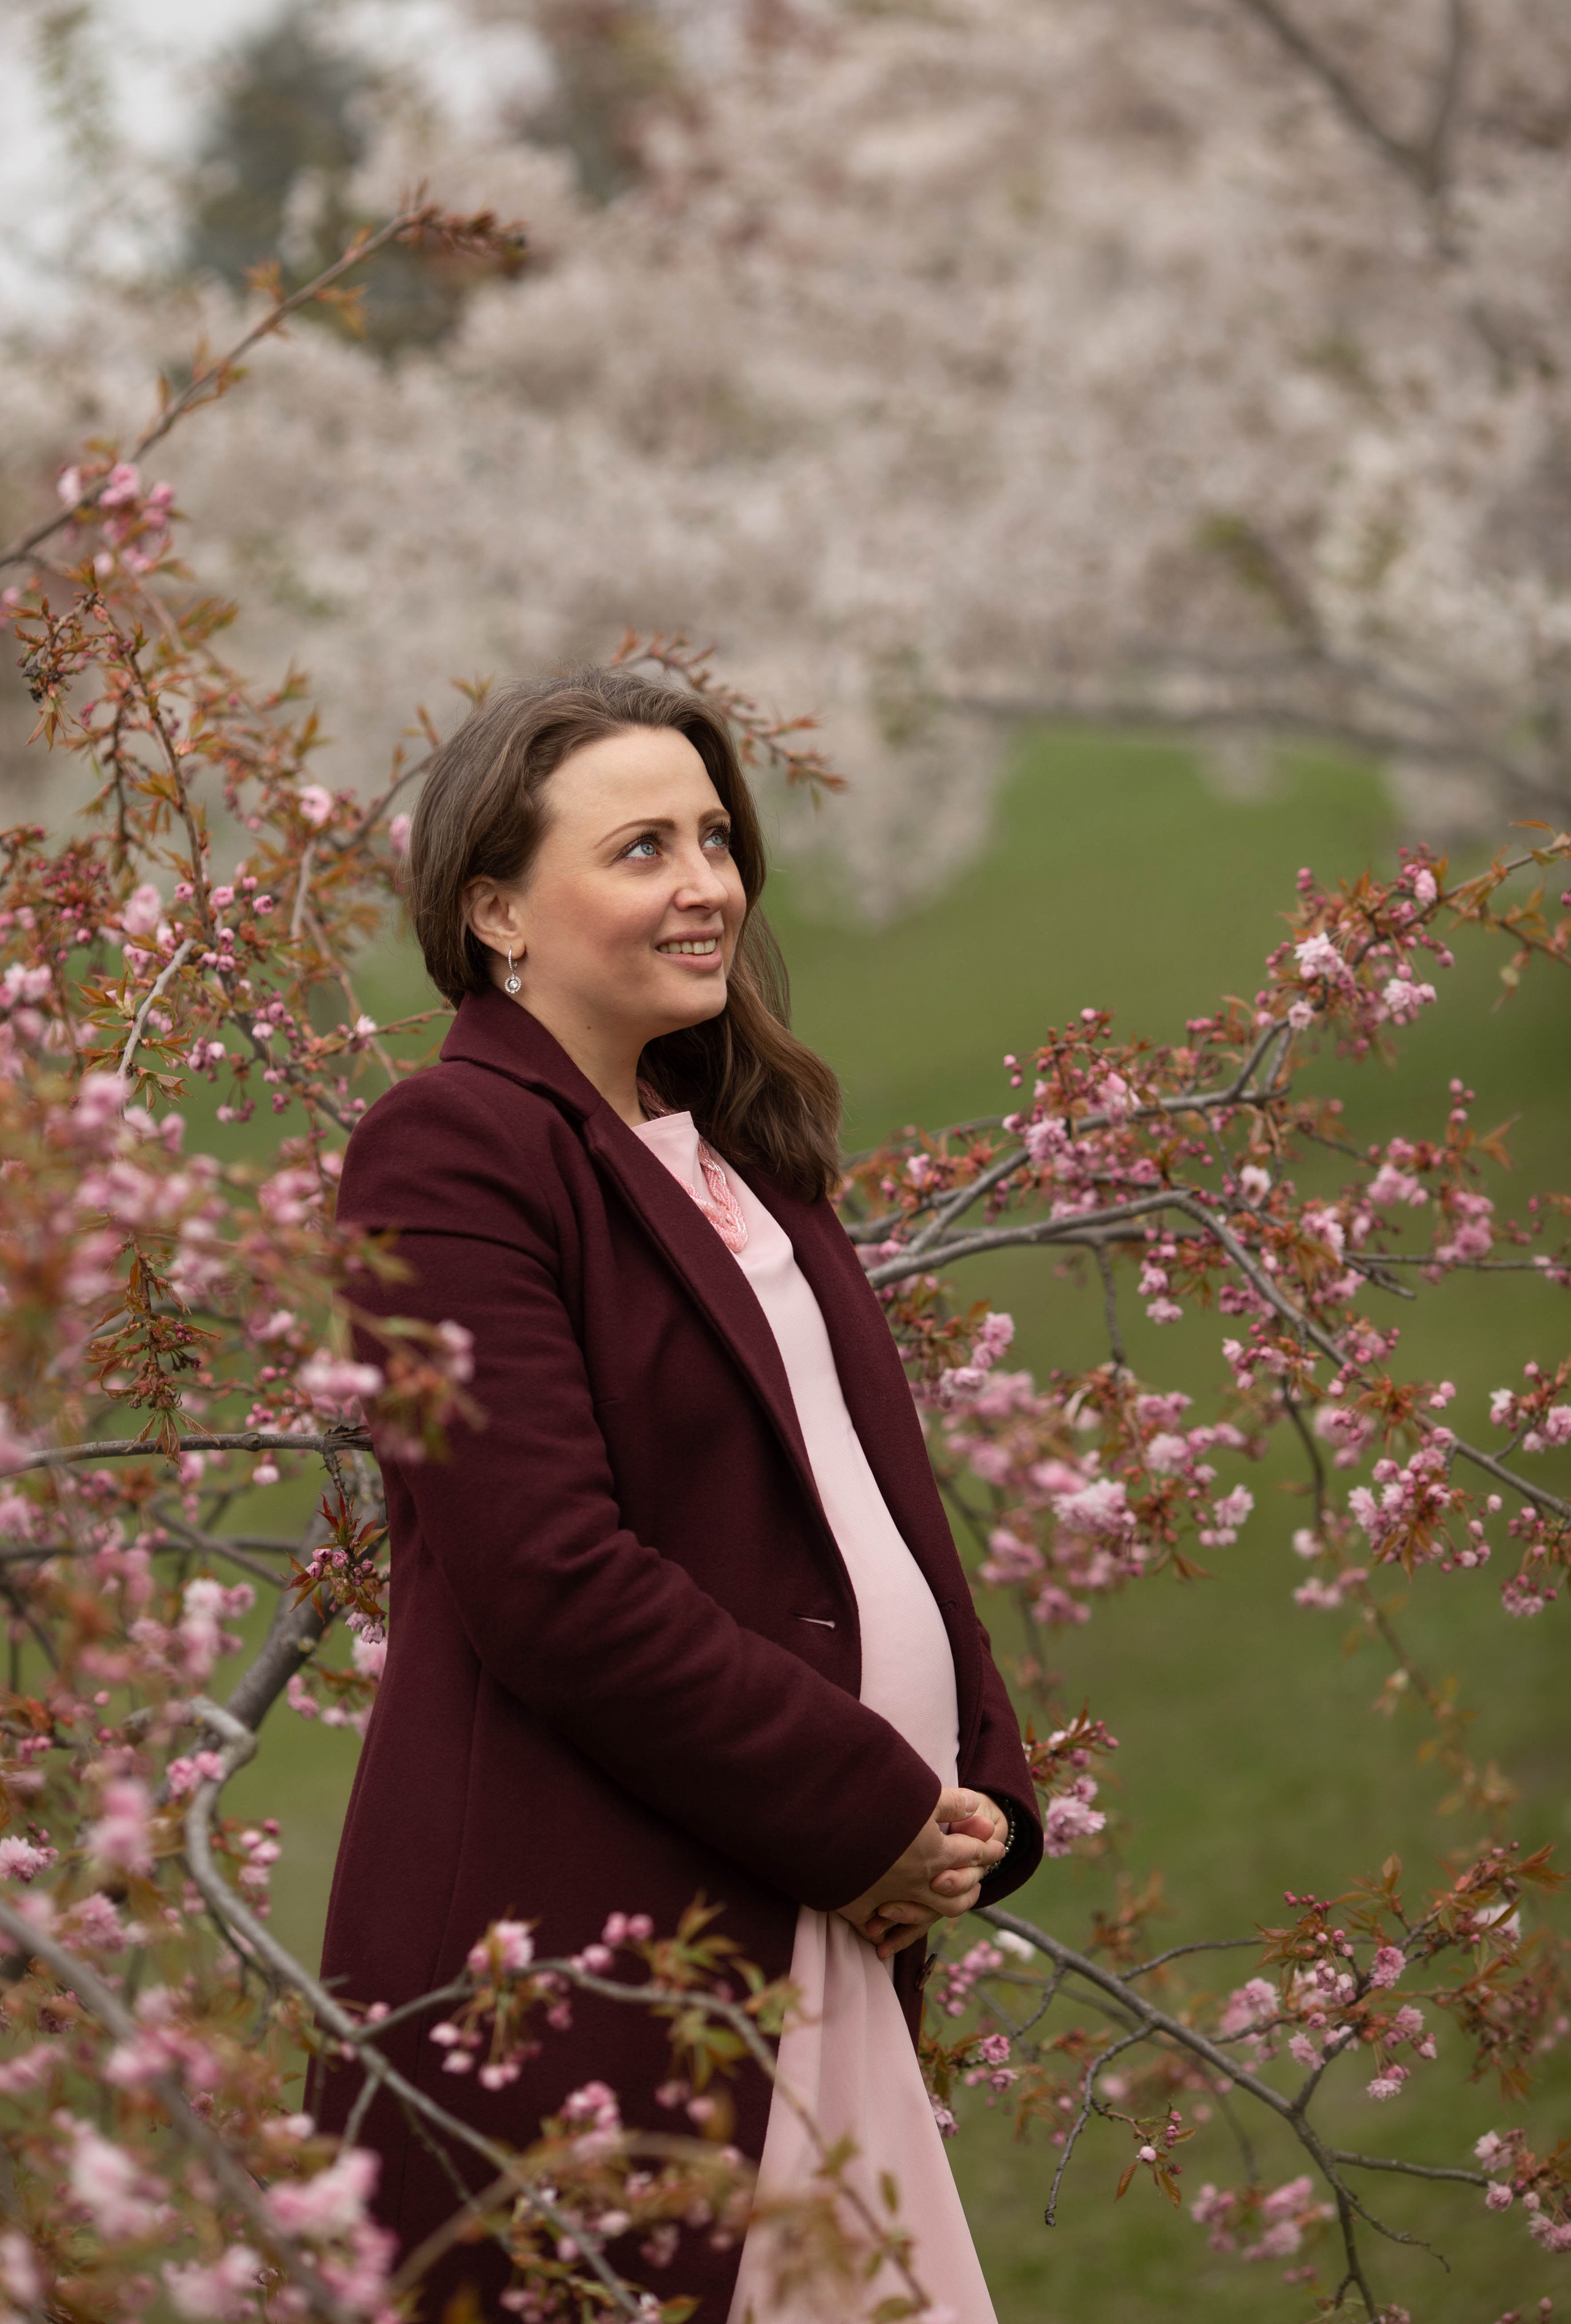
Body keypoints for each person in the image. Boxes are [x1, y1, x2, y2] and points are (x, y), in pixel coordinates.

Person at [316, 666, 1043, 2322]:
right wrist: (868, 1811)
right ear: (496, 907)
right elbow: (548, 1574)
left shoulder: (742, 1146)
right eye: (641, 846)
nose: (708, 882)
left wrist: (977, 1777)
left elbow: (877, 1502)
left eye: (715, 836)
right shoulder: (450, 1148)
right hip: (605, 1944)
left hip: (814, 1926)